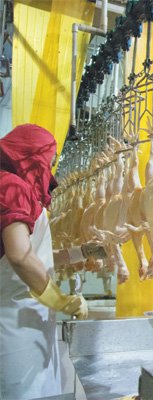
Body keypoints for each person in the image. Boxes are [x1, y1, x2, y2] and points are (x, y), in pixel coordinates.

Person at [1, 124, 88, 399]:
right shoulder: (11, 186)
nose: (50, 172)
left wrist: (82, 253)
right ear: (30, 157)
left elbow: (33, 255)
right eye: (49, 162)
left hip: (29, 320)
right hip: (13, 324)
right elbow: (19, 256)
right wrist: (58, 299)